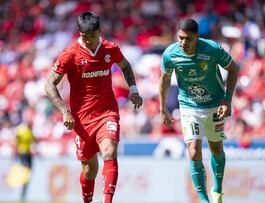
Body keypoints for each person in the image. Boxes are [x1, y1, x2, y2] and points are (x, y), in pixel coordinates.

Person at [44, 11, 143, 203]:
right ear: (79, 33)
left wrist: (134, 90)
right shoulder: (70, 54)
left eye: (92, 36)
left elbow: (125, 66)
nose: (88, 40)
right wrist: (65, 111)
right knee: (89, 171)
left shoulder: (110, 48)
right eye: (84, 36)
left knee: (109, 151)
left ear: (99, 31)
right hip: (81, 119)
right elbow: (49, 84)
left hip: (107, 112)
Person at [159, 18, 238, 203]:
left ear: (197, 37)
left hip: (215, 105)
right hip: (189, 107)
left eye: (188, 39)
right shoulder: (171, 54)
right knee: (193, 150)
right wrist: (162, 108)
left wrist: (227, 100)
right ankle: (204, 200)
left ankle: (217, 189)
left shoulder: (212, 49)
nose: (183, 43)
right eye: (180, 38)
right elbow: (163, 80)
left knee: (216, 147)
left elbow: (233, 69)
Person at [15, 121, 35, 201]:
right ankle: (23, 191)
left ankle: (23, 191)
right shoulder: (23, 131)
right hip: (23, 153)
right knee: (26, 173)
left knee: (27, 173)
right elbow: (16, 138)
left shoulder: (29, 132)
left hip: (26, 153)